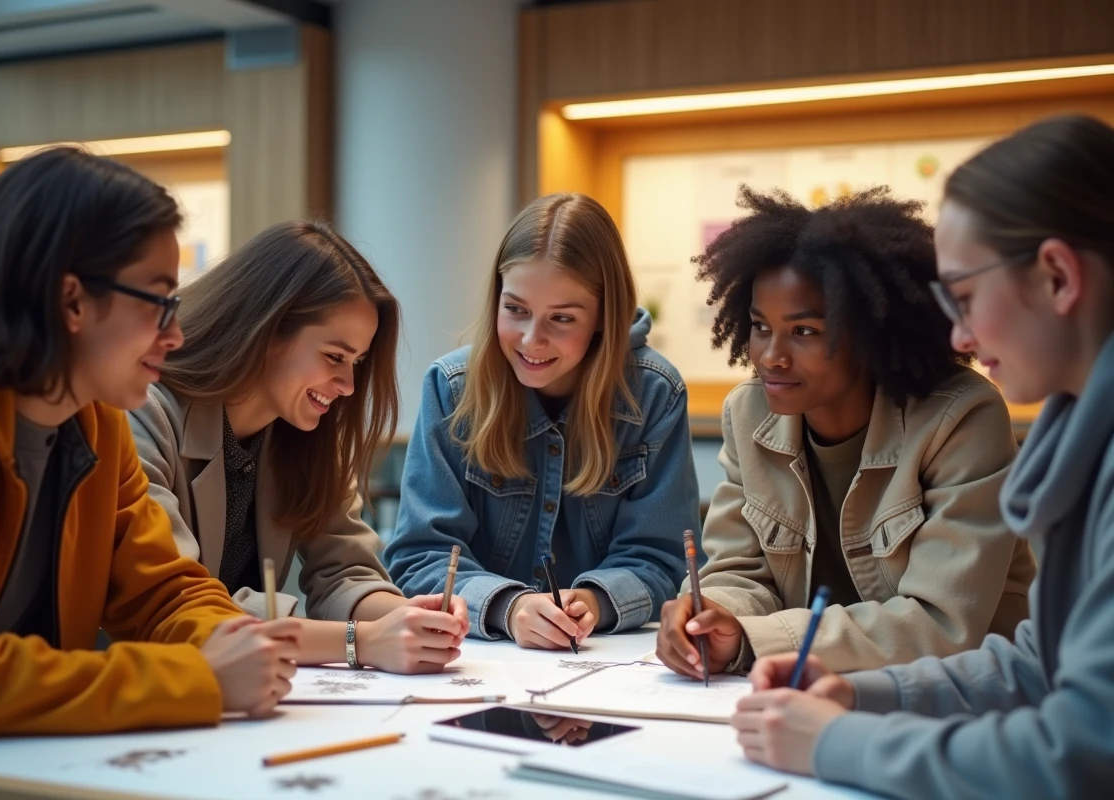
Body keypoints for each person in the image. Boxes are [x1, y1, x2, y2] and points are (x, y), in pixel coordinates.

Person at [731, 114, 1114, 798]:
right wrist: (861, 695)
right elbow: (1040, 664)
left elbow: (1080, 753)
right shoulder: (1084, 437)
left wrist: (835, 743)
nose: (959, 336)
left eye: (964, 297)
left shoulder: (989, 420)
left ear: (1058, 277)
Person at [0, 147, 297, 738]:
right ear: (72, 300)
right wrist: (198, 677)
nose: (176, 335)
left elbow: (162, 592)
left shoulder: (97, 418)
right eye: (161, 303)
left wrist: (235, 641)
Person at [656, 187, 1036, 678]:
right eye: (760, 327)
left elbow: (941, 624)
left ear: (871, 333)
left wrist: (756, 638)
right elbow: (739, 572)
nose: (771, 356)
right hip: (807, 687)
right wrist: (711, 615)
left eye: (804, 331)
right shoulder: (747, 414)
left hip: (962, 693)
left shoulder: (962, 417)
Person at [129, 220, 468, 674]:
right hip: (158, 685)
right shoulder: (144, 413)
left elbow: (345, 571)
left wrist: (405, 618)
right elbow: (177, 604)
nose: (348, 385)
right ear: (266, 330)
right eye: (334, 357)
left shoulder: (309, 432)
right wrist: (361, 642)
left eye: (357, 363)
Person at [386, 193, 700, 649]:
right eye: (515, 309)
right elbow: (421, 555)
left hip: (606, 658)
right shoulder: (451, 388)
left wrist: (594, 601)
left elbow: (663, 559)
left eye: (562, 318)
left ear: (603, 316)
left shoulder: (655, 393)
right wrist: (508, 607)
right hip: (477, 657)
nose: (532, 340)